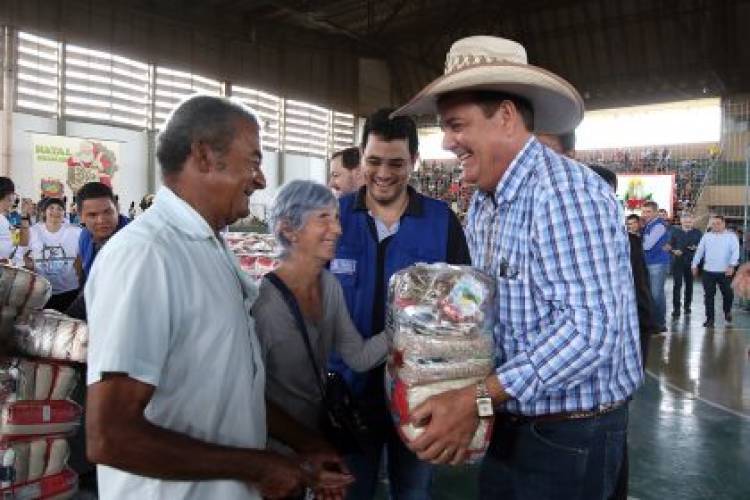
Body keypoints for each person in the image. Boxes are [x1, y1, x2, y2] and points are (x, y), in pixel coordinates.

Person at [391, 36, 642, 499]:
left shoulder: (564, 193)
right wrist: (437, 329)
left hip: (570, 437)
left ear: (505, 116)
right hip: (514, 417)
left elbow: (592, 331)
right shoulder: (486, 200)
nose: (446, 141)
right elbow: (492, 296)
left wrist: (477, 397)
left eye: (456, 125)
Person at [85, 95, 352, 500]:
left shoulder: (211, 248)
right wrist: (260, 466)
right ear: (205, 156)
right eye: (254, 161)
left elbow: (231, 385)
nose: (261, 179)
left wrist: (304, 442)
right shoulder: (147, 255)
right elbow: (111, 435)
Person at [330, 108, 471, 499]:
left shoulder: (442, 222)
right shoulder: (334, 218)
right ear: (361, 158)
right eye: (374, 161)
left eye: (397, 163)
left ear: (414, 161)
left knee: (413, 491)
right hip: (348, 398)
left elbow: (464, 311)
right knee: (348, 491)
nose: (383, 173)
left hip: (419, 398)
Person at [253, 180, 388, 450]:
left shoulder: (329, 286)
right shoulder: (263, 305)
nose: (337, 229)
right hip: (273, 448)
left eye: (336, 218)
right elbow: (247, 396)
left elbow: (358, 357)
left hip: (316, 437)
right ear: (289, 229)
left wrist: (408, 325)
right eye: (323, 218)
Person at [25, 197, 83, 312]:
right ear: (44, 212)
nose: (55, 211)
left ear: (64, 213)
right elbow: (22, 252)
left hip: (69, 290)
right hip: (42, 291)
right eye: (51, 208)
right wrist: (30, 265)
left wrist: (80, 279)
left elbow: (80, 258)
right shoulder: (33, 231)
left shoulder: (75, 232)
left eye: (60, 209)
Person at [691, 215, 739, 327]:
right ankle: (710, 319)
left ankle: (727, 311)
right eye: (713, 224)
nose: (715, 226)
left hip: (726, 272)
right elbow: (699, 251)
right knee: (708, 296)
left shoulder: (731, 237)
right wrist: (694, 265)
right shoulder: (706, 236)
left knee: (728, 294)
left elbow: (735, 252)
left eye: (718, 223)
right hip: (708, 272)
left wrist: (732, 266)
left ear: (724, 224)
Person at [76, 182, 130, 281]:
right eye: (92, 215)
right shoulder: (85, 235)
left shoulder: (137, 241)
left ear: (117, 209)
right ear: (81, 217)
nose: (101, 220)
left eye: (107, 212)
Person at [640, 201, 670, 331]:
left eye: (648, 212)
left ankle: (660, 323)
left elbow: (647, 246)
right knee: (651, 294)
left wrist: (639, 237)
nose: (645, 214)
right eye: (644, 212)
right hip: (649, 263)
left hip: (657, 264)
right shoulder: (648, 225)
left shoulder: (658, 226)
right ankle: (655, 322)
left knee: (656, 294)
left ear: (656, 212)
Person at [669, 214, 702, 318]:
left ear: (693, 221)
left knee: (689, 285)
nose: (688, 224)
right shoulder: (674, 231)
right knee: (677, 285)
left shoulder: (698, 233)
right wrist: (674, 251)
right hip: (678, 261)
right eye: (686, 222)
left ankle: (687, 306)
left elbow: (702, 247)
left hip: (691, 263)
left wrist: (696, 248)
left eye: (690, 222)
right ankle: (676, 309)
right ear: (681, 221)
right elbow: (668, 245)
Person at [0, 177, 31, 260]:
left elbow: (22, 242)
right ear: (8, 196)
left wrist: (24, 215)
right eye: (13, 194)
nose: (14, 197)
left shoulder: (5, 220)